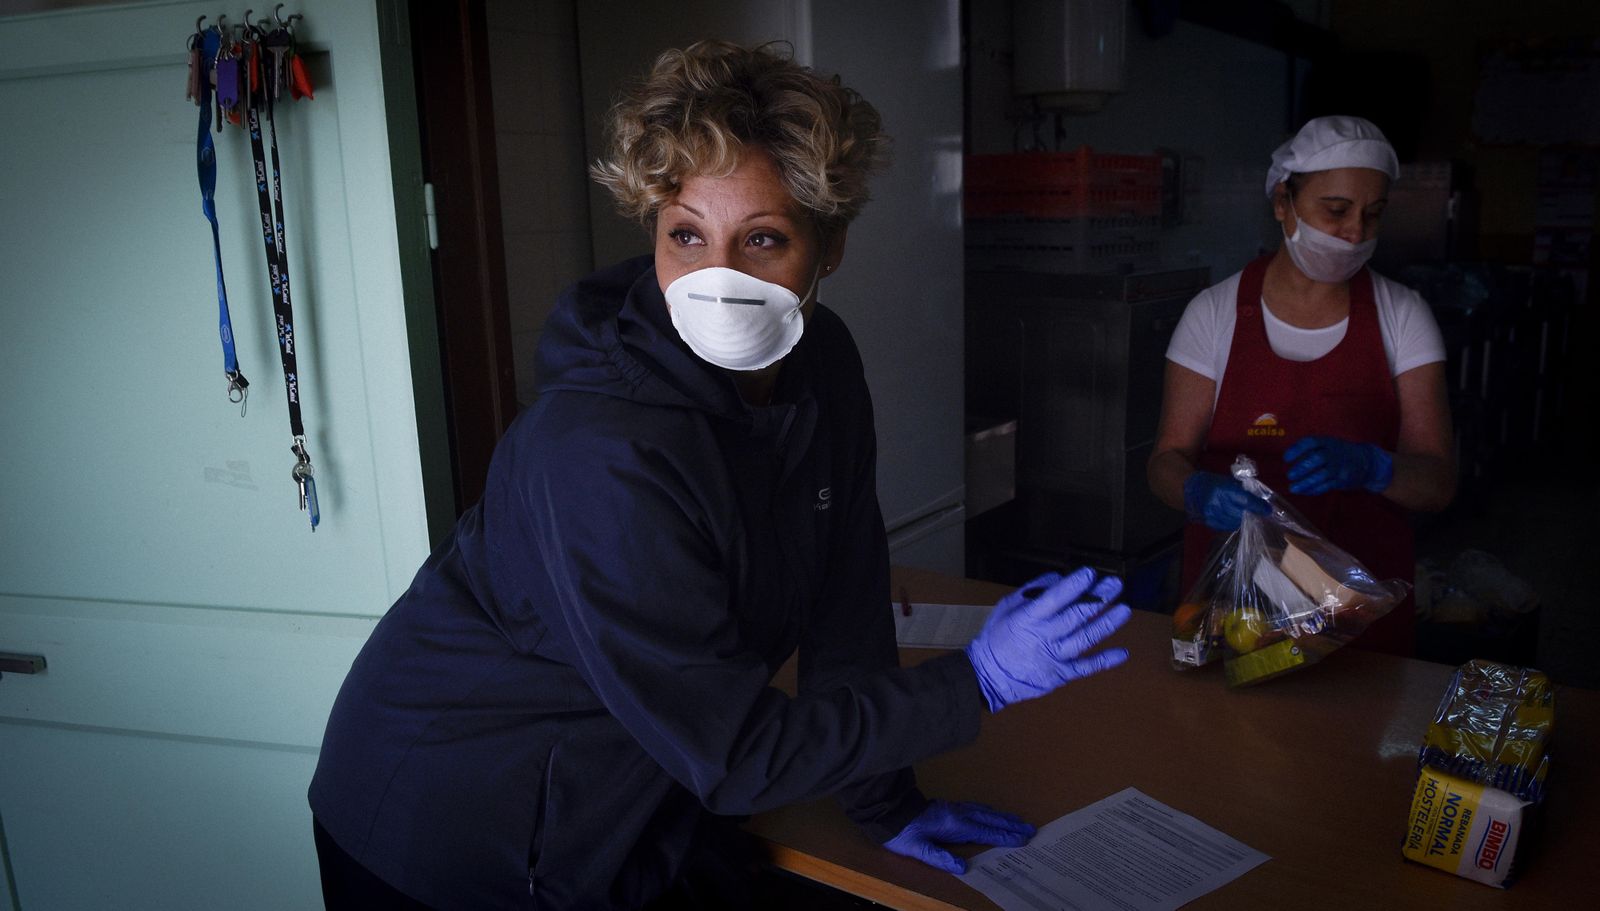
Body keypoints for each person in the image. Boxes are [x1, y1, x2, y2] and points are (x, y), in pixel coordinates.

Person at [309, 40, 1132, 910]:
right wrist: (978, 681)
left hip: (637, 779)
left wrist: (883, 802)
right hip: (454, 823)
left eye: (764, 239)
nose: (718, 279)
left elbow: (844, 602)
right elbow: (737, 754)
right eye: (687, 235)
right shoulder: (598, 450)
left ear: (830, 248)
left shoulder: (823, 364)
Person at [1148, 115, 1456, 657]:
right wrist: (1196, 491)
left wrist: (1375, 468)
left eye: (1373, 213)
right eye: (1335, 210)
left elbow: (1437, 483)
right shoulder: (1215, 314)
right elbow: (1166, 460)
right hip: (1234, 610)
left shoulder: (1403, 316)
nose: (1355, 232)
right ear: (1282, 203)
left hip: (1363, 616)